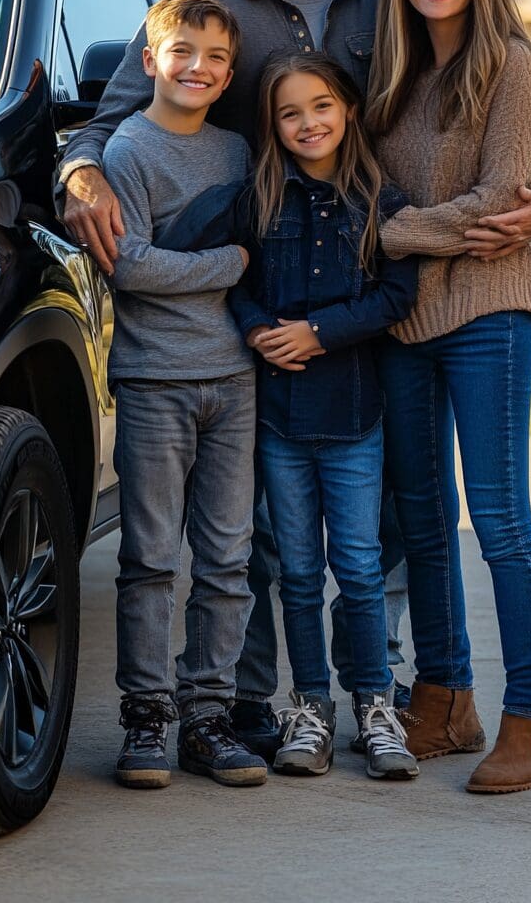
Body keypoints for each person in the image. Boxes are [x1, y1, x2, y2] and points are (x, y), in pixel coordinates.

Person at [57, 0, 531, 758]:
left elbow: (509, 123)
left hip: (380, 305)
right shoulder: (204, 5)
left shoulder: (394, 0)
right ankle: (250, 707)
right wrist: (79, 174)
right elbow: (107, 120)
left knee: (387, 529)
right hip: (254, 321)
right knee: (260, 534)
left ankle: (388, 694)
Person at [160, 53, 420, 781]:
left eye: (322, 106)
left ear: (347, 111)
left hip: (354, 417)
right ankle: (310, 707)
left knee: (360, 569)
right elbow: (237, 277)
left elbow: (396, 297)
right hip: (277, 422)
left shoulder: (382, 204)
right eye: (290, 113)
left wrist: (321, 331)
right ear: (272, 126)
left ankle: (373, 704)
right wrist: (254, 328)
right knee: (298, 572)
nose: (309, 123)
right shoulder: (259, 198)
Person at [367, 0, 531, 793]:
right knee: (422, 521)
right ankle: (444, 700)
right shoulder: (390, 75)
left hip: (491, 311)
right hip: (405, 321)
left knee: (500, 521)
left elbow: (500, 200)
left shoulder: (514, 67)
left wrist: (396, 234)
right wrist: (404, 234)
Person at [103, 0, 267, 789]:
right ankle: (146, 720)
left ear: (228, 72)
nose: (197, 68)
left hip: (235, 380)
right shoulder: (127, 152)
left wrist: (234, 267)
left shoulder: (238, 155)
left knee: (229, 558)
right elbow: (129, 266)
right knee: (149, 559)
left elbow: (263, 248)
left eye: (214, 59)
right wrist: (223, 268)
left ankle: (207, 716)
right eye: (182, 54)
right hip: (153, 381)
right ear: (150, 62)